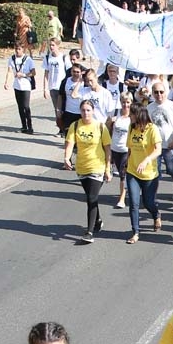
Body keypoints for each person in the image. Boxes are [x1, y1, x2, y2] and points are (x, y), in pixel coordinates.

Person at [63, 100, 112, 244]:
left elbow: (108, 149)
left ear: (93, 111)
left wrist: (108, 169)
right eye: (83, 110)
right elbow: (70, 143)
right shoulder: (75, 126)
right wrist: (66, 158)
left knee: (91, 198)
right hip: (82, 167)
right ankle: (98, 220)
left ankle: (89, 232)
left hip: (97, 167)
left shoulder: (100, 126)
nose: (86, 113)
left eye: (88, 110)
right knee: (91, 198)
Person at [124, 104, 164, 244]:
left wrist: (146, 160)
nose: (129, 116)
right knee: (133, 203)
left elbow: (158, 150)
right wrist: (126, 163)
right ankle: (135, 232)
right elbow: (130, 148)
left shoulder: (152, 129)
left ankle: (156, 214)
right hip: (133, 171)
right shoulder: (131, 128)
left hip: (149, 174)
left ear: (138, 114)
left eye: (131, 114)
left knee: (148, 202)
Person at [4, 44, 36, 134]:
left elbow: (33, 72)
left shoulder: (28, 59)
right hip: (17, 85)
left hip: (26, 85)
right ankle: (24, 126)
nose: (17, 51)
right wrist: (6, 82)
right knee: (20, 107)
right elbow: (9, 71)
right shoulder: (12, 59)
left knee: (26, 106)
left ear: (23, 50)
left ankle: (30, 126)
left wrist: (24, 75)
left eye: (19, 49)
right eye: (16, 49)